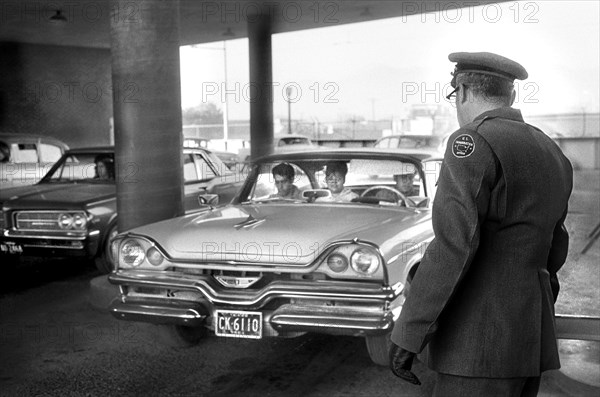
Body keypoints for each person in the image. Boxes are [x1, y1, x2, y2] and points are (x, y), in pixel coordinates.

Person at [389, 52, 573, 396]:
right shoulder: (551, 151)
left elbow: (453, 246)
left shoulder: (472, 142)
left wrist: (409, 332)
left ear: (461, 91)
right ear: (512, 95)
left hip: (477, 346)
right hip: (529, 340)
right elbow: (555, 248)